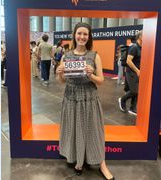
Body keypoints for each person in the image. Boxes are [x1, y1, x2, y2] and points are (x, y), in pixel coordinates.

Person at [56, 22, 114, 179]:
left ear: (89, 37)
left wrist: (91, 75)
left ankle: (102, 164)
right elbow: (62, 81)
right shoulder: (66, 55)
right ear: (74, 35)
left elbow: (101, 81)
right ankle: (78, 160)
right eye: (79, 33)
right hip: (71, 98)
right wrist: (59, 72)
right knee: (73, 129)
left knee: (94, 131)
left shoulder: (95, 55)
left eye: (85, 34)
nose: (82, 37)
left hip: (89, 98)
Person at [119, 31, 142, 116]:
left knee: (137, 91)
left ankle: (132, 108)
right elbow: (128, 61)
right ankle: (122, 100)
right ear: (139, 37)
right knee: (134, 91)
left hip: (138, 72)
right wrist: (137, 70)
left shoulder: (142, 47)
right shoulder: (134, 47)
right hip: (131, 72)